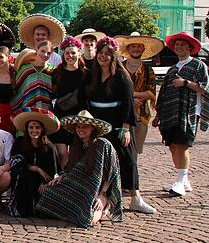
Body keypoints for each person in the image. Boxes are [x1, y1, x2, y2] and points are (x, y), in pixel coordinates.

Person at [86, 36, 155, 214]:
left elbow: (127, 103)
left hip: (119, 124)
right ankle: (104, 197)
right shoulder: (92, 75)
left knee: (128, 159)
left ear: (113, 56)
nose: (102, 57)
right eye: (100, 53)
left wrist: (125, 128)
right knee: (102, 161)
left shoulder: (122, 76)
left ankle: (135, 198)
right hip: (99, 125)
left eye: (107, 54)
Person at [35, 110, 122, 228]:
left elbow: (111, 171)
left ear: (92, 128)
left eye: (85, 127)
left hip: (98, 188)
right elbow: (72, 170)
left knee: (88, 220)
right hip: (79, 186)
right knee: (48, 194)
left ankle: (104, 207)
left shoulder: (102, 144)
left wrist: (102, 194)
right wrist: (61, 177)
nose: (80, 129)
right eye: (78, 127)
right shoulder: (77, 146)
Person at [154, 31, 209, 197]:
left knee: (182, 145)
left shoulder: (198, 65)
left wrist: (185, 83)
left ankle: (180, 180)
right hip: (170, 112)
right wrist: (158, 114)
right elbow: (163, 92)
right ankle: (183, 180)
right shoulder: (172, 69)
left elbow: (204, 87)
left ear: (190, 48)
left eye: (183, 45)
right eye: (177, 45)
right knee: (172, 145)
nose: (179, 47)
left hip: (188, 111)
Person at [7, 108, 60, 217]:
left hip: (42, 182)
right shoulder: (19, 142)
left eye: (37, 127)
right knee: (25, 175)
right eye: (31, 127)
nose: (34, 130)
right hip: (23, 179)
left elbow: (53, 170)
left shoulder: (49, 147)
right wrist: (37, 169)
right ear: (27, 129)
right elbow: (15, 162)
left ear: (42, 130)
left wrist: (45, 183)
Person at [116, 32, 163, 155]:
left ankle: (134, 173)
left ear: (143, 48)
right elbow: (115, 90)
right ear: (128, 48)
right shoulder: (119, 68)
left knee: (137, 150)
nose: (136, 49)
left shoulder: (148, 70)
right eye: (133, 46)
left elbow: (151, 93)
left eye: (138, 46)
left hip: (142, 114)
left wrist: (131, 95)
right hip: (121, 113)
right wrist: (131, 99)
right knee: (120, 148)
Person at [50, 36, 88, 166]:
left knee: (75, 154)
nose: (70, 56)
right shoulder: (57, 72)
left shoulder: (85, 74)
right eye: (67, 53)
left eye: (73, 52)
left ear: (79, 53)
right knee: (61, 153)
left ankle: (72, 180)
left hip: (78, 118)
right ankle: (61, 179)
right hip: (61, 116)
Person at [12, 41, 55, 115]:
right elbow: (17, 88)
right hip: (26, 107)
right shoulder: (25, 69)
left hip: (46, 109)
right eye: (42, 51)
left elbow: (54, 91)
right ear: (37, 50)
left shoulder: (52, 71)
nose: (45, 54)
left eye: (48, 53)